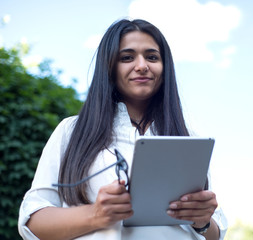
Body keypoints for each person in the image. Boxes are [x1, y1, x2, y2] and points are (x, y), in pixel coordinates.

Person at [18, 19, 227, 240]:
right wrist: (95, 215)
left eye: (152, 57)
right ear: (109, 67)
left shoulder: (187, 138)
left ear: (165, 68)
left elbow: (213, 234)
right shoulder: (72, 131)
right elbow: (33, 222)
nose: (142, 65)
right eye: (127, 57)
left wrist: (203, 221)